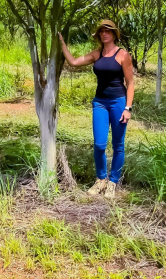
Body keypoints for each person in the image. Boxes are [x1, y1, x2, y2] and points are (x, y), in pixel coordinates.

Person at [58, 20, 134, 199]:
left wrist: (127, 108)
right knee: (99, 145)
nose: (104, 34)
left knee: (118, 145)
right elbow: (74, 62)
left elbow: (130, 83)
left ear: (114, 34)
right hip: (100, 102)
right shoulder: (97, 54)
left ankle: (113, 182)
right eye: (101, 31)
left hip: (118, 102)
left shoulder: (123, 55)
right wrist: (62, 43)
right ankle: (101, 179)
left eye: (108, 31)